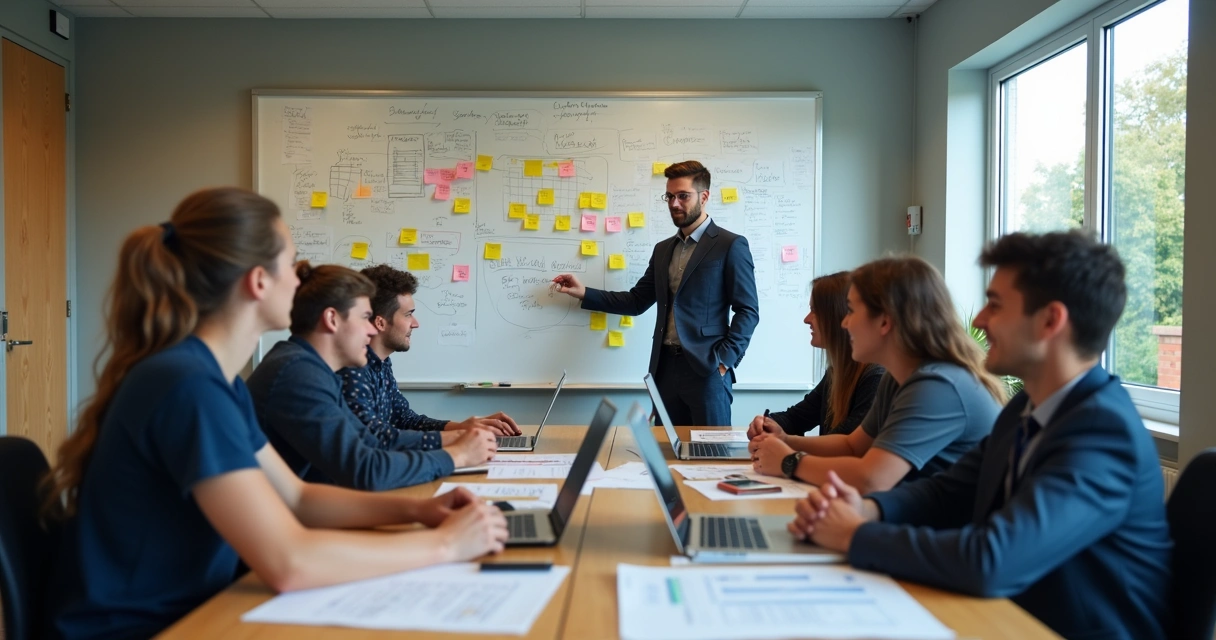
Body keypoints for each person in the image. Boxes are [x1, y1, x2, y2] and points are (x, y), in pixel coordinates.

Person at [44, 188, 507, 639]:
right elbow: (289, 562)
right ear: (258, 281)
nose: (299, 278)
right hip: (144, 627)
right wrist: (445, 545)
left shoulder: (217, 381)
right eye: (290, 263)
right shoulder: (187, 385)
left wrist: (421, 509)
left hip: (194, 607)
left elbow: (297, 497)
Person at [789, 231, 1172, 640]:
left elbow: (992, 561)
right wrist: (868, 510)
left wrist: (855, 533)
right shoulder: (1027, 409)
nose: (978, 320)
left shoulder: (1102, 433)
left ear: (1050, 321)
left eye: (996, 304)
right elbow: (946, 492)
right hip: (1012, 618)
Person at [749, 256, 1003, 494]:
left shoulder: (937, 385)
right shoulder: (898, 378)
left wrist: (788, 461)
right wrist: (786, 440)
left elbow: (871, 479)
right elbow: (852, 446)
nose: (844, 323)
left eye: (851, 311)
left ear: (884, 321)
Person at [247, 263, 497, 489]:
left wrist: (460, 436)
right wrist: (458, 454)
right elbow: (367, 468)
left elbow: (371, 442)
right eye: (366, 318)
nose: (371, 329)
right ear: (332, 319)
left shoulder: (314, 370)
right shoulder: (299, 373)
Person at [552, 160, 759, 426]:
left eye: (683, 196)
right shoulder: (663, 249)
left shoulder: (730, 245)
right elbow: (636, 301)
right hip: (664, 371)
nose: (674, 203)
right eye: (669, 196)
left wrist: (723, 362)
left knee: (711, 448)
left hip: (707, 371)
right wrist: (584, 293)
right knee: (666, 447)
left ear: (704, 196)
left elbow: (748, 311)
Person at [340, 264, 522, 454]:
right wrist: (461, 437)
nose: (416, 323)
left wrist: (463, 427)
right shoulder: (352, 371)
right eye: (408, 314)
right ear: (380, 322)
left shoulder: (382, 363)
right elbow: (375, 438)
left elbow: (405, 419)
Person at [746, 271, 884, 439]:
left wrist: (787, 443)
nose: (806, 319)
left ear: (838, 315)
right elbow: (796, 418)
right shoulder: (836, 373)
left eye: (814, 310)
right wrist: (766, 423)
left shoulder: (876, 377)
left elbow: (844, 444)